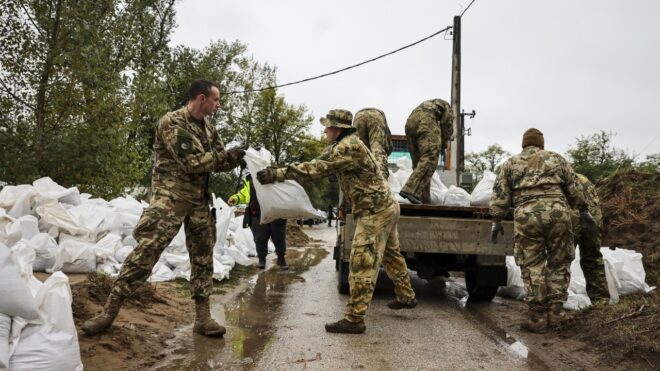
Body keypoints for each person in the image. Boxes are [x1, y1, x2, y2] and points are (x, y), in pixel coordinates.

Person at [82, 79, 246, 337]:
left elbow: (218, 161)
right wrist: (223, 157)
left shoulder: (209, 129)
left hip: (199, 202)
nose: (219, 104)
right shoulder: (172, 122)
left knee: (203, 259)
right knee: (146, 253)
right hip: (170, 199)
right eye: (216, 99)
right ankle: (107, 313)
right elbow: (193, 163)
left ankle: (203, 319)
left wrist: (237, 157)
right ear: (202, 98)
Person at [256, 109, 417, 334]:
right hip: (386, 207)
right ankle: (406, 296)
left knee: (362, 261)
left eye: (328, 127)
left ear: (338, 129)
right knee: (391, 256)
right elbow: (320, 161)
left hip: (376, 211)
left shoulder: (347, 146)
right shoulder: (344, 145)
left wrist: (278, 174)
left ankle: (355, 319)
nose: (325, 131)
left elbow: (315, 169)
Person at [490, 128, 596, 333]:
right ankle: (556, 313)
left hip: (527, 216)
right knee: (559, 260)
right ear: (542, 144)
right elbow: (575, 190)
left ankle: (537, 317)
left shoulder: (510, 164)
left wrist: (497, 220)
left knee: (532, 264)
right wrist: (584, 211)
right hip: (558, 214)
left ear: (523, 144)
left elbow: (500, 195)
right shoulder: (558, 159)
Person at [228, 174, 288, 270]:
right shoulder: (249, 179)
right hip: (257, 215)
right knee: (260, 239)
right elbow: (244, 194)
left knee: (279, 238)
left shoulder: (275, 173)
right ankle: (262, 260)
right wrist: (236, 198)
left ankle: (281, 259)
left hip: (276, 214)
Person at [400, 98, 454, 204]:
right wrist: (443, 143)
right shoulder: (446, 106)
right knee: (430, 158)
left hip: (410, 123)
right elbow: (446, 124)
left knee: (419, 163)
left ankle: (423, 199)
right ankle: (410, 190)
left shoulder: (426, 104)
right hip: (426, 121)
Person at [571, 173, 608, 302]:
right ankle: (601, 300)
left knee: (561, 262)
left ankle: (556, 304)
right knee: (593, 259)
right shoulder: (583, 178)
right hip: (593, 220)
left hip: (575, 219)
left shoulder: (561, 179)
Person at [353, 108, 393, 180]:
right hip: (376, 115)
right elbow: (387, 147)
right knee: (377, 149)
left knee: (357, 151)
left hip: (358, 116)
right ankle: (381, 181)